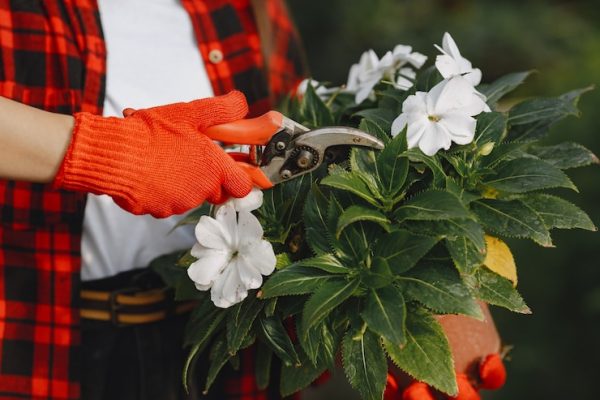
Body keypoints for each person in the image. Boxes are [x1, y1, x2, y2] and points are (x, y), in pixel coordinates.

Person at [0, 0, 306, 399]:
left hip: (205, 345)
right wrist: (114, 154)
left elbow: (295, 145)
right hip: (40, 339)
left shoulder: (244, 8)